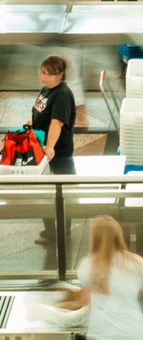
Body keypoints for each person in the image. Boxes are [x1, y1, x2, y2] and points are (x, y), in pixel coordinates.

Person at [30, 56, 76, 245]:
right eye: (42, 72)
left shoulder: (62, 94)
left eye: (48, 74)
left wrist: (49, 148)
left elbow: (57, 122)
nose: (43, 77)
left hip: (57, 153)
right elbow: (40, 110)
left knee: (59, 192)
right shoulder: (47, 89)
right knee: (47, 192)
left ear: (60, 75)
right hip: (43, 148)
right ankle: (51, 229)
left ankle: (61, 231)